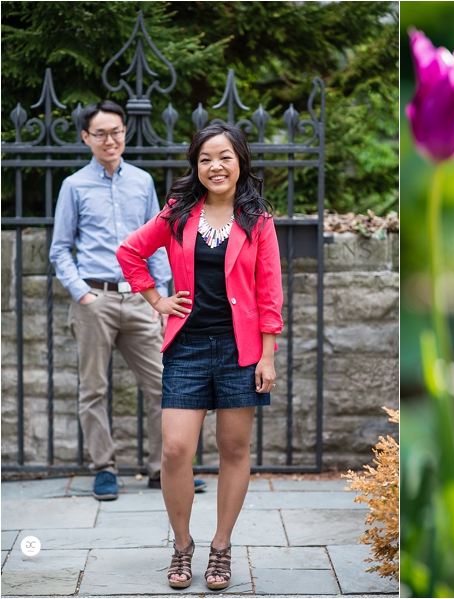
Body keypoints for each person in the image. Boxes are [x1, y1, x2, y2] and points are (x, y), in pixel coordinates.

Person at [116, 122, 283, 590]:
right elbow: (130, 252)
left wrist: (267, 357)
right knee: (175, 451)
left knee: (233, 449)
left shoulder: (259, 221)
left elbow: (270, 293)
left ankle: (222, 548)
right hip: (187, 347)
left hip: (240, 350)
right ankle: (182, 545)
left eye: (225, 157)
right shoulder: (178, 213)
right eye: (206, 158)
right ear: (196, 165)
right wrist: (156, 300)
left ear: (240, 162)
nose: (216, 166)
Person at [49, 99, 206, 501]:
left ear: (125, 133)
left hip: (140, 301)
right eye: (100, 133)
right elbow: (60, 249)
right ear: (86, 137)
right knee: (94, 389)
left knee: (162, 385)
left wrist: (161, 299)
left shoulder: (141, 182)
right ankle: (104, 468)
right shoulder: (74, 186)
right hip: (94, 299)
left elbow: (158, 242)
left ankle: (163, 467)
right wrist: (81, 292)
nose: (109, 139)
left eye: (115, 131)